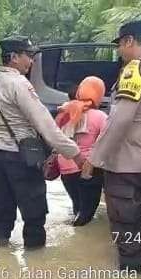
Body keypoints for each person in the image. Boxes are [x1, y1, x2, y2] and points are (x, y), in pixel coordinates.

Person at [83, 21, 141, 270]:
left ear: (130, 41)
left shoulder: (136, 69)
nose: (120, 51)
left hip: (126, 163)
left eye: (121, 44)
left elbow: (119, 120)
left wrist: (94, 159)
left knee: (126, 227)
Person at [0, 35, 86, 249]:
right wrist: (76, 154)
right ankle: (34, 264)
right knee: (34, 215)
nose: (31, 61)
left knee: (3, 210)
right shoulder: (20, 83)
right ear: (13, 57)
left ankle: (1, 255)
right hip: (22, 158)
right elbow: (46, 126)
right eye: (28, 56)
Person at [56, 76, 108, 226]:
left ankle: (75, 228)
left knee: (78, 206)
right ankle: (81, 239)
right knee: (87, 214)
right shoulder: (100, 116)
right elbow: (107, 142)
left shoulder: (65, 112)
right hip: (88, 168)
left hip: (66, 168)